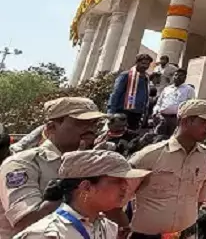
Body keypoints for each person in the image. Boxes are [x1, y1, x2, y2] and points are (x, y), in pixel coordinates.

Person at [0, 98, 106, 237]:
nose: (91, 129)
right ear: (52, 127)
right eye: (81, 123)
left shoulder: (91, 163)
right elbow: (27, 222)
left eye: (94, 123)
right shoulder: (23, 163)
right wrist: (68, 185)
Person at [128, 99, 206, 238]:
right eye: (205, 122)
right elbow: (119, 196)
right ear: (186, 121)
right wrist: (123, 226)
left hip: (185, 234)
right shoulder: (150, 155)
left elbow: (198, 200)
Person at [12, 150, 149, 239]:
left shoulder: (108, 228)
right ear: (86, 187)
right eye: (118, 180)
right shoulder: (46, 234)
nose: (125, 186)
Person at [108, 54, 154, 130]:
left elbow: (145, 96)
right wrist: (111, 112)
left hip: (137, 114)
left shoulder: (146, 78)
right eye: (143, 63)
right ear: (137, 62)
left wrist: (145, 113)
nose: (145, 66)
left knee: (131, 134)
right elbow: (116, 93)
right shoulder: (126, 75)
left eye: (147, 64)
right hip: (123, 112)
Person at [152, 68, 195, 137]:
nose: (177, 77)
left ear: (185, 78)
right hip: (162, 118)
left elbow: (190, 105)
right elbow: (159, 103)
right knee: (157, 138)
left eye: (180, 75)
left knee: (172, 139)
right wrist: (155, 112)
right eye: (176, 75)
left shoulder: (189, 89)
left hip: (176, 120)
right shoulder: (167, 89)